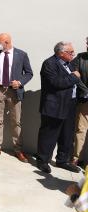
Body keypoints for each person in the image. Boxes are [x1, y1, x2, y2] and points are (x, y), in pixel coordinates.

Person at [0, 33, 33, 162]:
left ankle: (18, 150)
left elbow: (29, 73)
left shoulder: (21, 54)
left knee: (16, 121)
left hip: (14, 91)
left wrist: (19, 82)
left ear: (7, 42)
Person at [36, 41, 82, 173]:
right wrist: (74, 77)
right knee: (49, 134)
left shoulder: (70, 63)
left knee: (67, 135)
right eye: (70, 52)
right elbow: (56, 83)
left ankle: (63, 160)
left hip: (70, 104)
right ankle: (42, 161)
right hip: (54, 106)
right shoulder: (49, 64)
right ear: (61, 53)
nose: (73, 54)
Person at [72, 37, 88, 167]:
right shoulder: (80, 57)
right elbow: (74, 75)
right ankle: (76, 158)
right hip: (84, 99)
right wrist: (85, 91)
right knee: (81, 129)